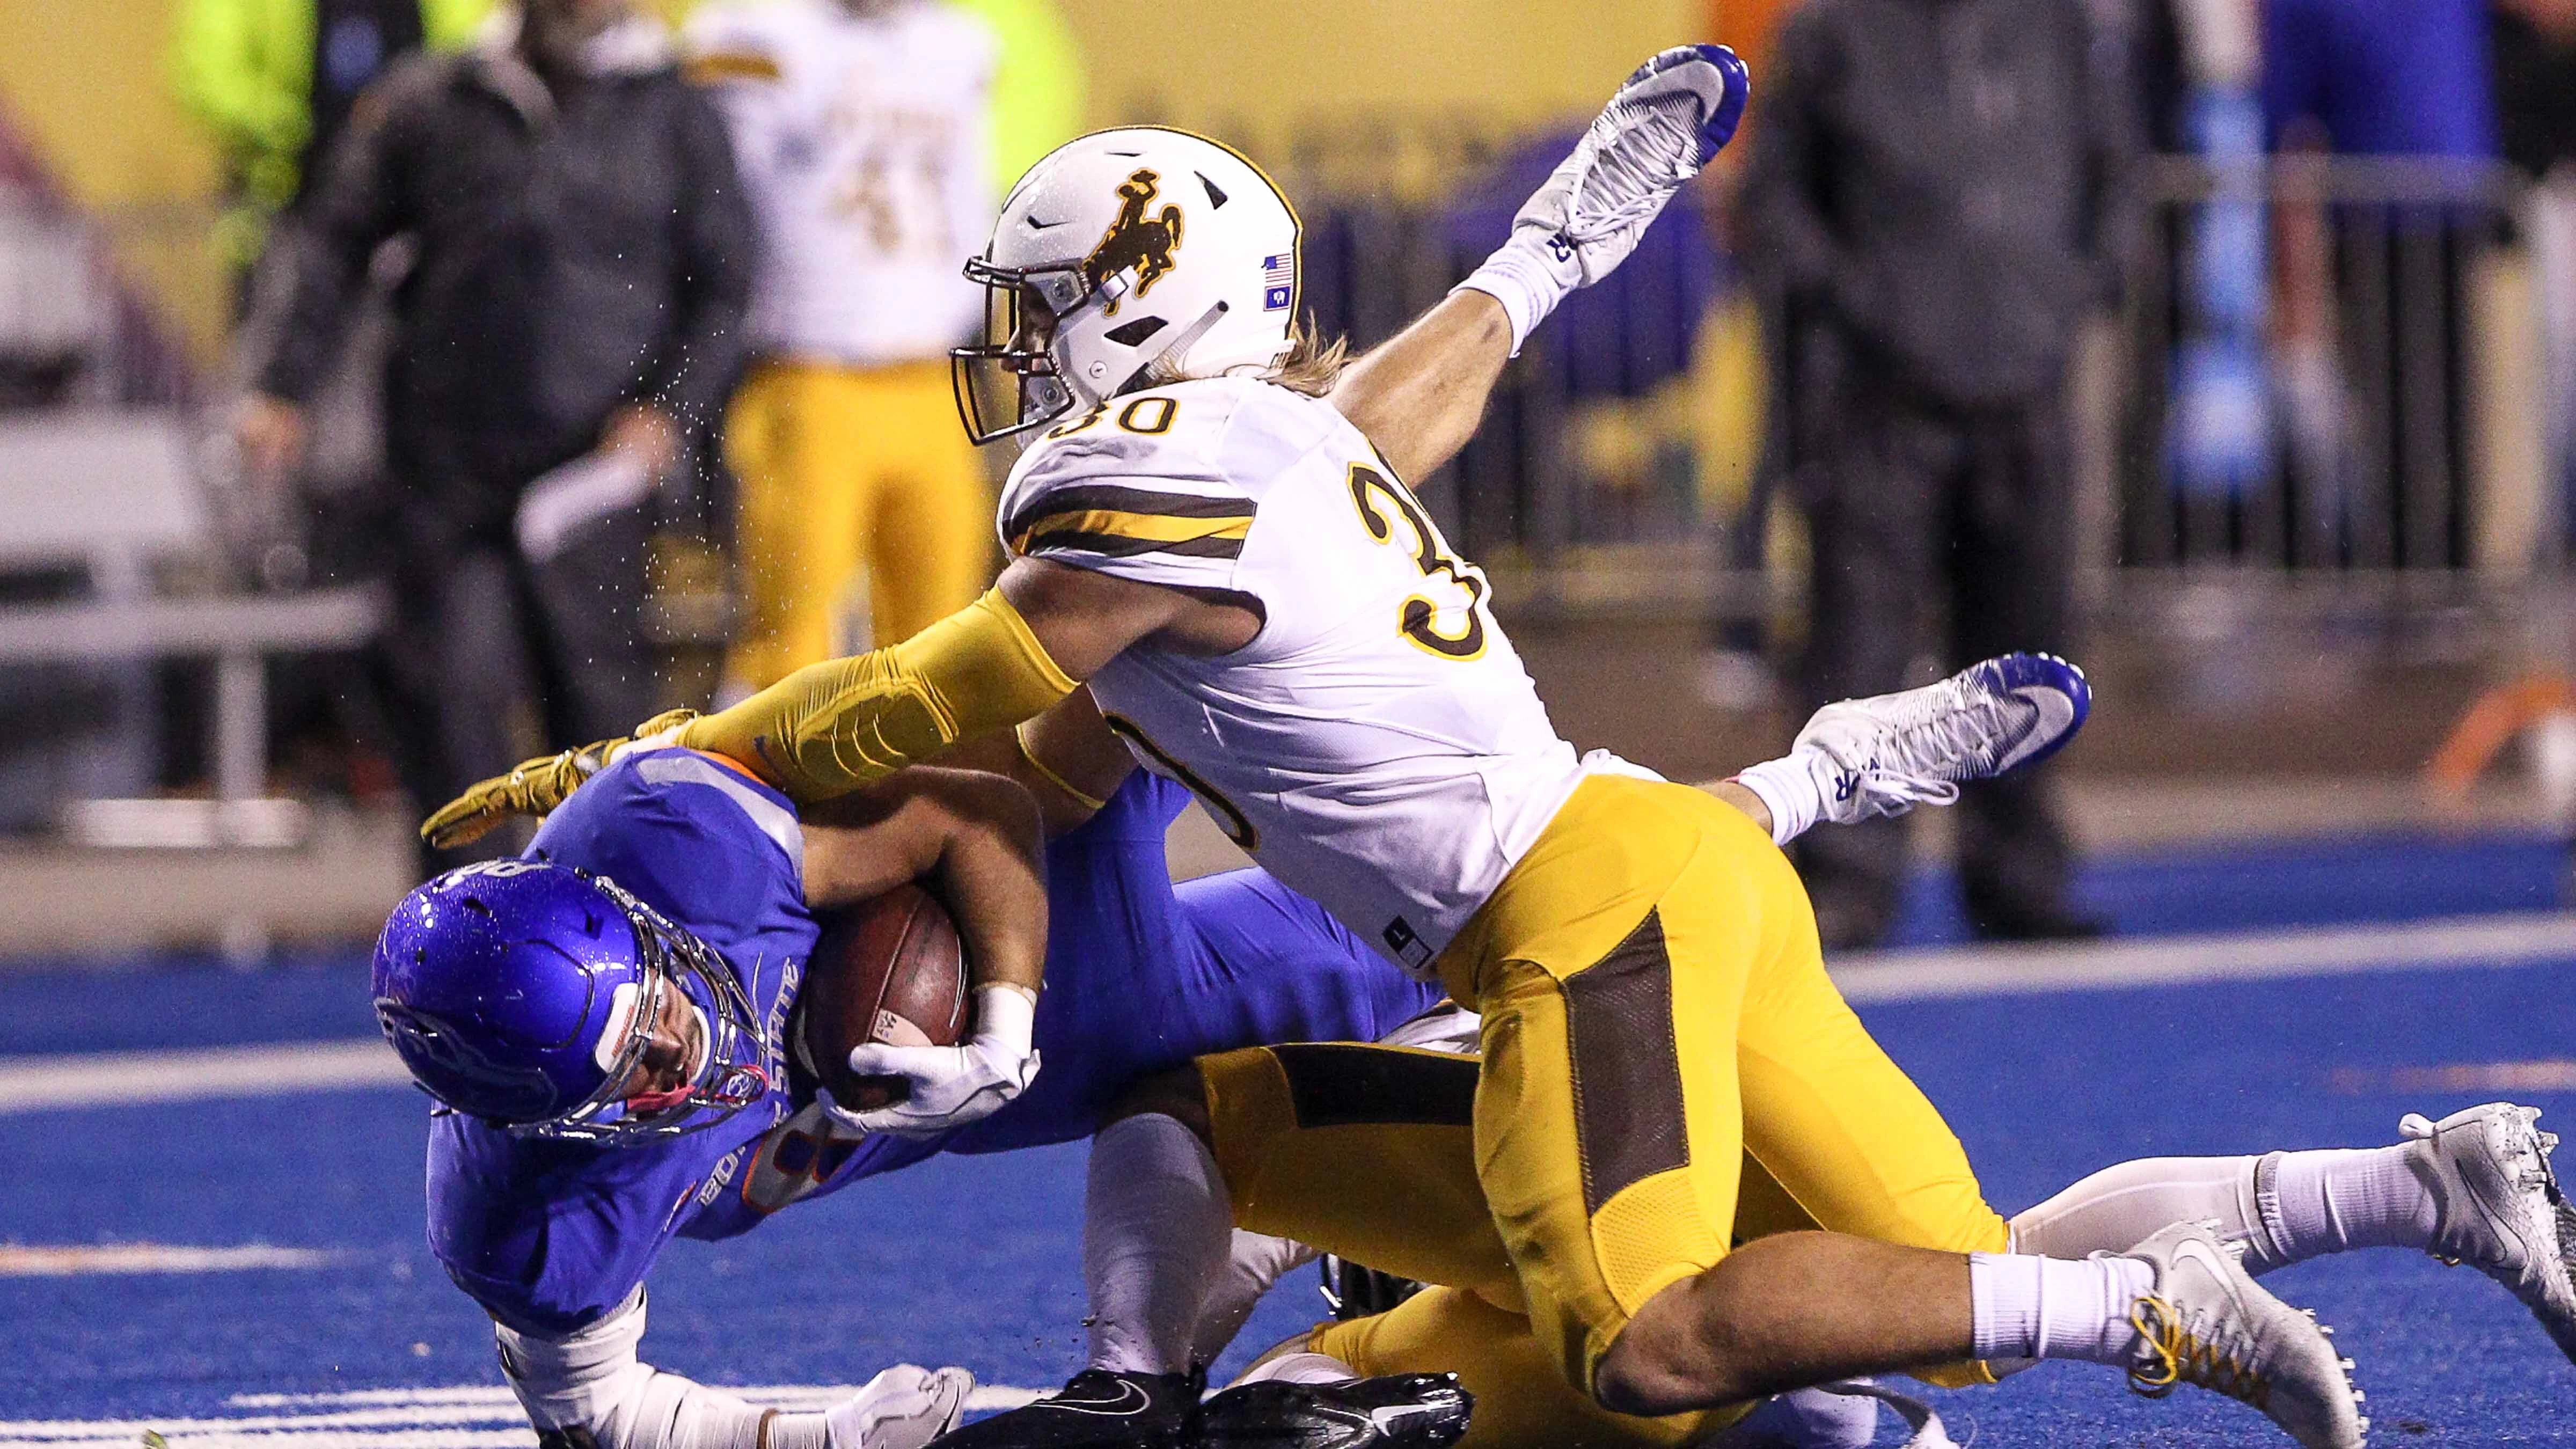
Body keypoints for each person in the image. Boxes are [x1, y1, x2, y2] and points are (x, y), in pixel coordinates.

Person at [418, 49, 2366, 1449]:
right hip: (1566, 875)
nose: (1009, 351)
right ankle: (1823, 806)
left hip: (1525, 924)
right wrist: (1547, 252)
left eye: (1044, 311)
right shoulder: (1264, 444)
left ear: (1141, 320)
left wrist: (709, 756)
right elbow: (1379, 422)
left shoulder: (1113, 502)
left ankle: (2112, 1300)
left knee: (1649, 1341)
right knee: (1890, 1268)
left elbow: (937, 727)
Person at [375, 670, 2040, 1449]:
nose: (691, 1047)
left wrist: (999, 1017)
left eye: (663, 997)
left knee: (1139, 673)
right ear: (539, 1120)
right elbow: (606, 1426)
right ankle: (1200, 1366)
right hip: (1090, 1078)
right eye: (639, 1071)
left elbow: (968, 802)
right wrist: (841, 1436)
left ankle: (1816, 776)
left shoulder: (669, 843)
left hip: (1062, 963)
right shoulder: (523, 1223)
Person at [239, 0, 757, 874]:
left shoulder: (675, 112)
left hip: (594, 485)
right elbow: (333, 242)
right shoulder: (434, 100)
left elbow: (726, 286)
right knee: (452, 723)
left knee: (603, 746)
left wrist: (671, 410)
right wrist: (284, 387)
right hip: (447, 474)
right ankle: (460, 964)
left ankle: (613, 967)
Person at [1739, 0, 2135, 947]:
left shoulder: (2065, 32)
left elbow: (2115, 175)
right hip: (1879, 402)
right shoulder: (1832, 34)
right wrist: (1857, 301)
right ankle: (1847, 879)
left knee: (2029, 642)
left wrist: (2074, 290)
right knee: (1858, 651)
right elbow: (1775, 201)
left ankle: (2019, 872)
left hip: (2028, 391)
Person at [683, 0, 1011, 692]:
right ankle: (765, 797)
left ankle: (924, 800)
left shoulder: (959, 44)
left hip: (932, 379)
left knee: (944, 642)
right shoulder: (755, 32)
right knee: (790, 640)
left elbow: (969, 208)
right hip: (807, 374)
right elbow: (716, 211)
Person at [171, 0, 495, 282]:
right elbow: (209, 76)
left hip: (419, 233)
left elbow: (472, 65)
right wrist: (296, 130)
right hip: (287, 219)